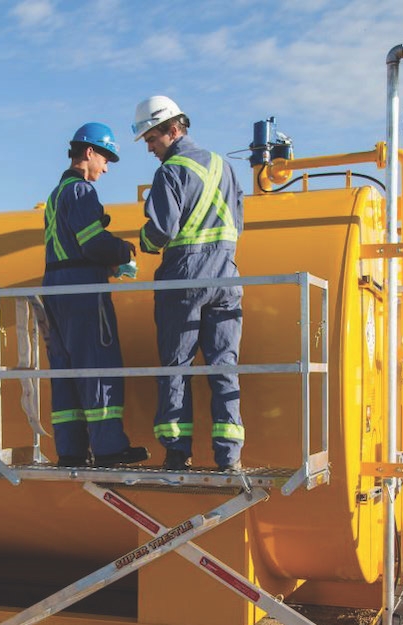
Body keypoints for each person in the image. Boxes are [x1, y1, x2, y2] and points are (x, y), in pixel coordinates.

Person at [132, 96, 244, 471]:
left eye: (151, 138)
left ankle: (178, 451)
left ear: (173, 129)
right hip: (226, 275)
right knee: (223, 365)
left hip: (184, 277)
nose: (149, 148)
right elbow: (237, 222)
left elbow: (162, 230)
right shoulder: (225, 166)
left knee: (176, 366)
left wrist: (143, 243)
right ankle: (229, 455)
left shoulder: (170, 172)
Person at [42, 122, 149, 468]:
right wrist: (123, 250)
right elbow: (92, 243)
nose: (106, 168)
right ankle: (108, 448)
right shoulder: (81, 191)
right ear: (89, 152)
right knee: (98, 363)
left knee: (66, 371)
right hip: (82, 290)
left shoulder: (56, 194)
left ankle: (71, 450)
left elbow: (71, 245)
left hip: (55, 288)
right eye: (105, 159)